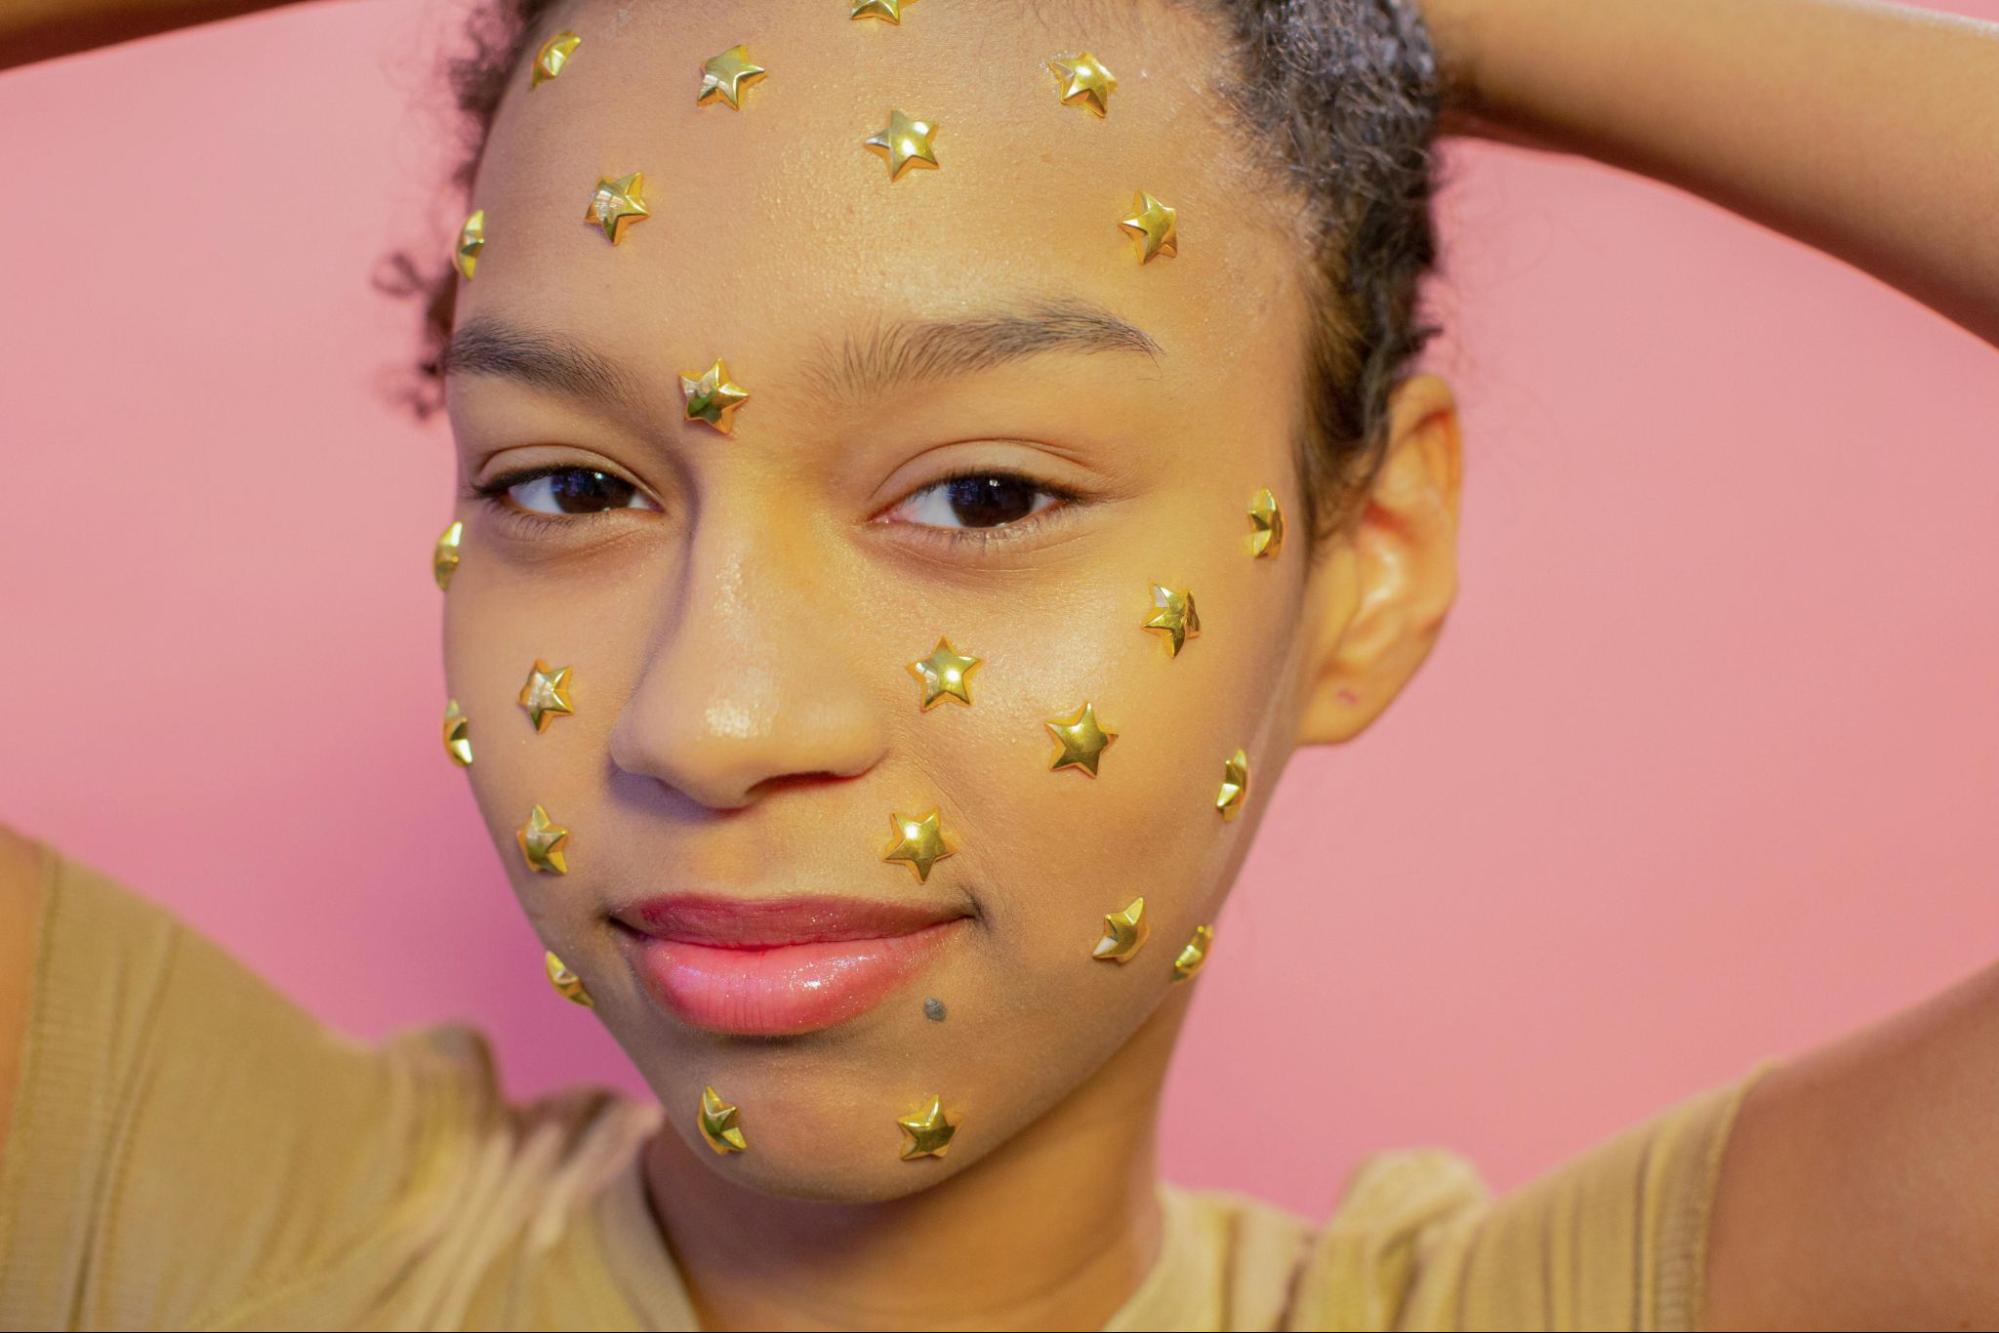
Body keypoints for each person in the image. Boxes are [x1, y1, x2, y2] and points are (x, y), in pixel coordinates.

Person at [2, 0, 1995, 1327]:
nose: (712, 719)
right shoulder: (211, 1233)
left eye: (974, 500)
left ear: (1366, 557)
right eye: (569, 480)